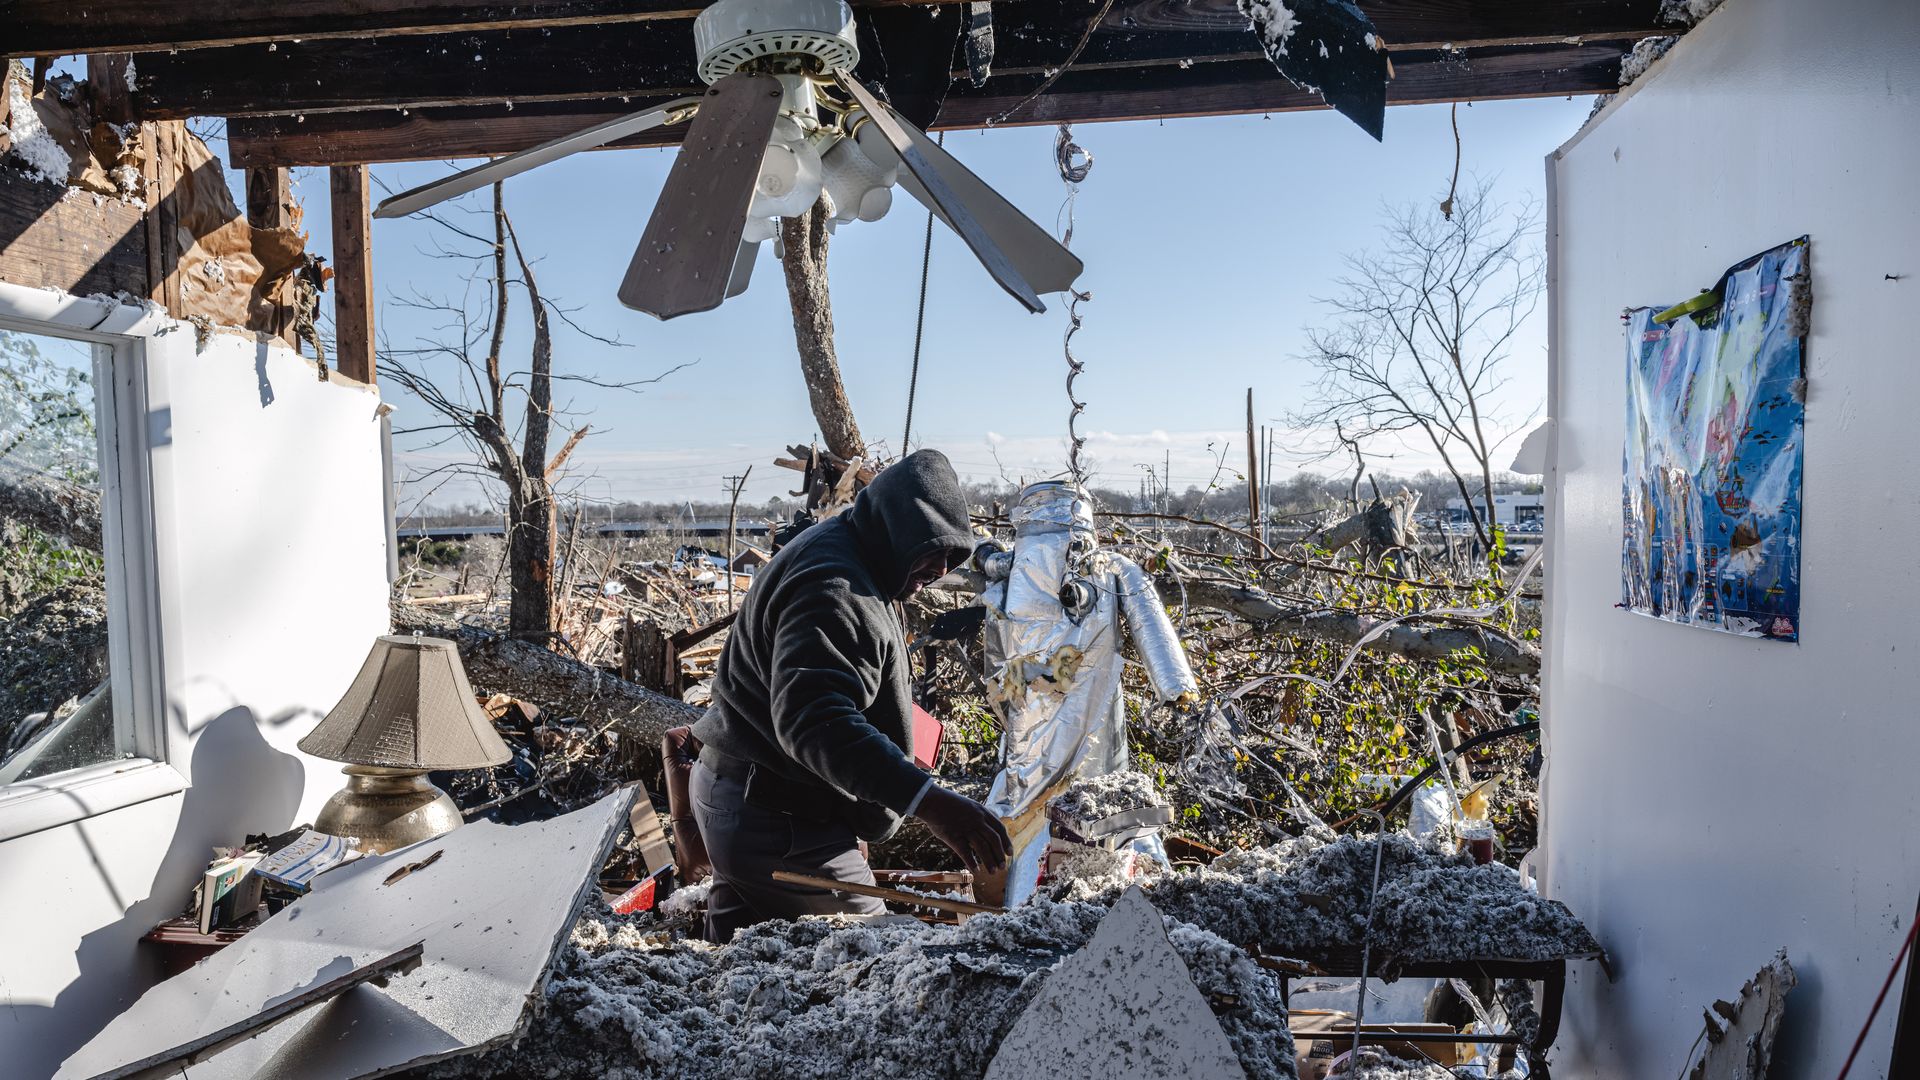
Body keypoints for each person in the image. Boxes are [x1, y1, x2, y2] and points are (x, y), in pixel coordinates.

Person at [688, 449, 1012, 942]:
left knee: (736, 952)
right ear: (897, 528)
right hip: (776, 820)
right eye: (932, 548)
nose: (941, 568)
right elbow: (814, 720)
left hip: (742, 795)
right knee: (873, 952)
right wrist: (928, 802)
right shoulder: (835, 589)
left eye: (954, 555)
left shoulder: (851, 553)